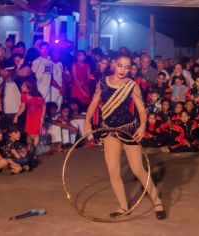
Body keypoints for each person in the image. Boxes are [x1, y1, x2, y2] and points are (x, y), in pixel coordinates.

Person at [84, 53, 166, 220]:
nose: (123, 70)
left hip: (128, 129)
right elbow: (93, 104)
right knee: (113, 170)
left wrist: (143, 126)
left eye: (127, 67)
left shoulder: (132, 86)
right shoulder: (102, 82)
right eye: (120, 65)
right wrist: (87, 122)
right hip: (109, 131)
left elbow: (142, 111)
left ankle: (157, 201)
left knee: (138, 170)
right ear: (114, 64)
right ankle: (123, 206)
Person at [14, 79, 45, 154]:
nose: (21, 87)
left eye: (23, 86)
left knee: (36, 134)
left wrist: (42, 118)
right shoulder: (23, 96)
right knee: (28, 133)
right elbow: (23, 107)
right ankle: (29, 151)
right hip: (30, 117)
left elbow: (44, 106)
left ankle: (33, 153)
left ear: (29, 87)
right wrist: (17, 115)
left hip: (37, 116)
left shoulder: (37, 97)